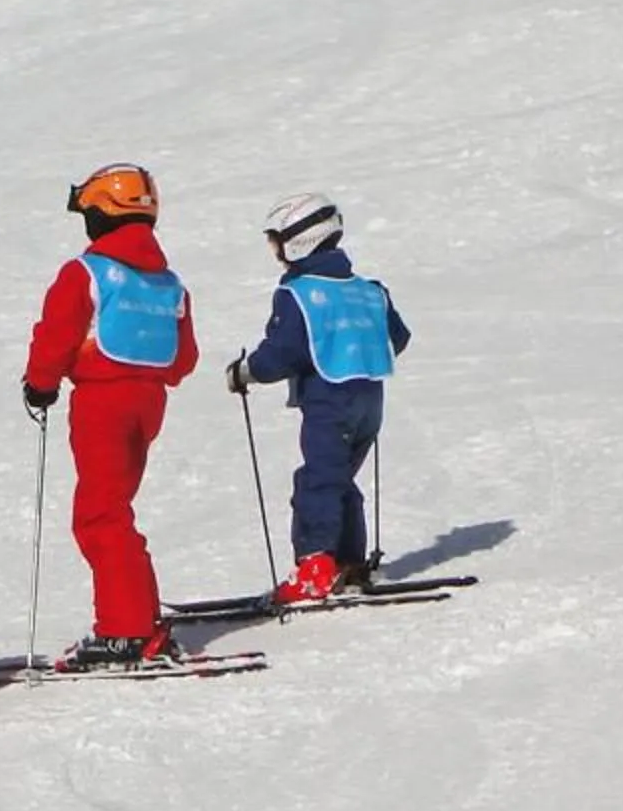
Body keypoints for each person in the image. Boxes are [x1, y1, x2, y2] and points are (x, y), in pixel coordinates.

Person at [22, 164, 200, 668]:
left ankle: (126, 630)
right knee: (115, 509)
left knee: (100, 516)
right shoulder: (168, 282)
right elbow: (183, 360)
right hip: (149, 402)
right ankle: (139, 619)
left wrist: (41, 383)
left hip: (102, 399)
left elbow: (56, 331)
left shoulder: (88, 273)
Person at [227, 192, 411, 601]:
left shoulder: (300, 293)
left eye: (276, 240)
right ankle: (349, 561)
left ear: (298, 239)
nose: (274, 250)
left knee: (318, 480)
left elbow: (282, 353)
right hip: (369, 401)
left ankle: (315, 566)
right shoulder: (369, 290)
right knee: (339, 477)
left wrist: (245, 372)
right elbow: (396, 338)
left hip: (329, 401)